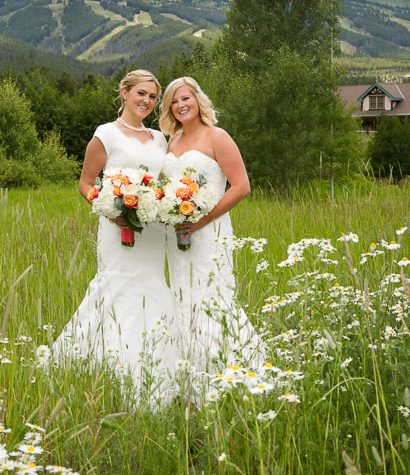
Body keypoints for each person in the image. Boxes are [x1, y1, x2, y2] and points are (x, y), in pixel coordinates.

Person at [54, 69, 179, 407]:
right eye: (141, 93)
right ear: (124, 93)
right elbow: (85, 183)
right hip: (116, 227)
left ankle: (158, 370)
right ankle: (112, 370)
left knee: (152, 288)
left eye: (153, 97)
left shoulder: (159, 139)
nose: (147, 101)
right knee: (117, 288)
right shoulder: (106, 135)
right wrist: (109, 209)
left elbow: (164, 182)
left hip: (152, 231)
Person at [159, 76, 265, 397]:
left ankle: (227, 375)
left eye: (186, 98)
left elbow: (242, 185)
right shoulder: (171, 142)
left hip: (210, 232)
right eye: (174, 101)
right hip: (177, 234)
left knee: (212, 299)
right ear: (169, 108)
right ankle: (190, 381)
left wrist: (203, 220)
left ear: (198, 100)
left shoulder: (217, 136)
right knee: (183, 299)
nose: (181, 105)